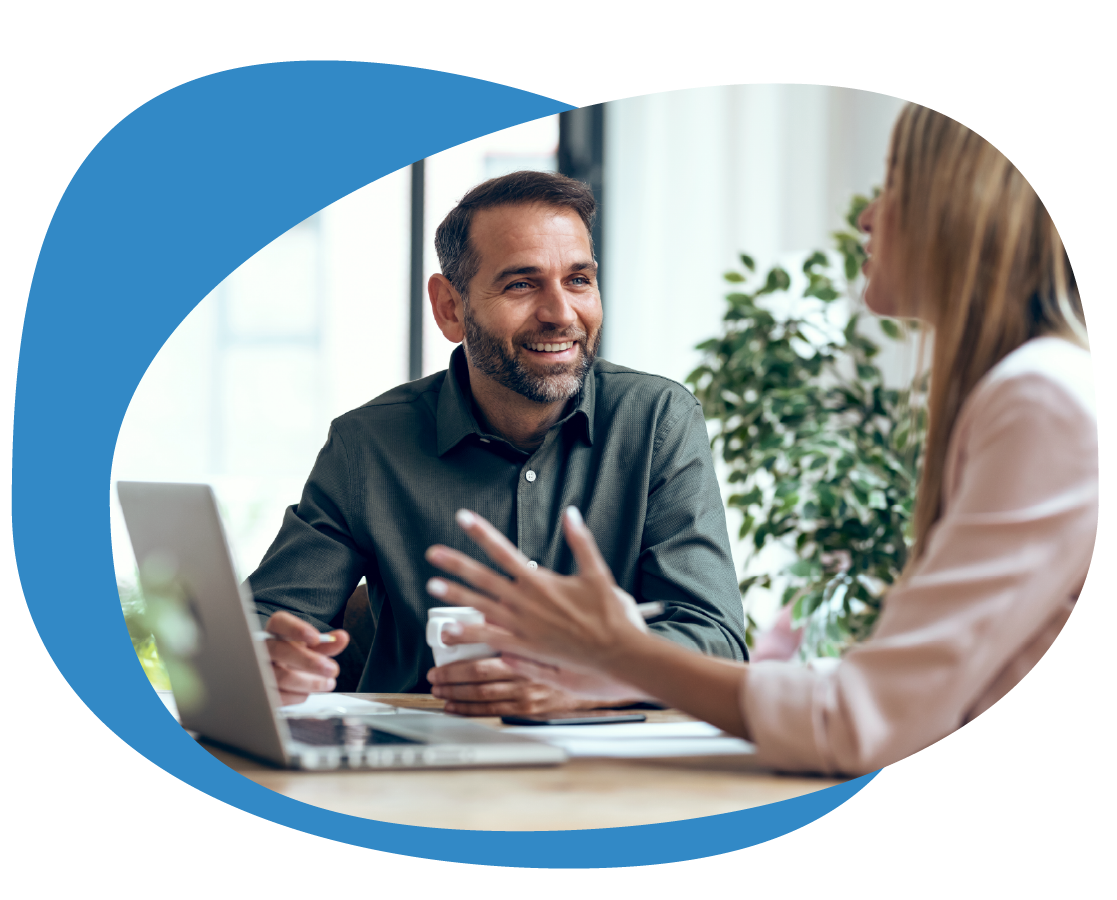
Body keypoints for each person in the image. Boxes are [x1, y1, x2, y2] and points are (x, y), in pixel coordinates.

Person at [424, 103, 1099, 773]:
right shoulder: (1030, 390)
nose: (866, 216)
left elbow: (859, 722)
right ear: (450, 307)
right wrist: (624, 671)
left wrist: (622, 655)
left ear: (963, 211)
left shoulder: (1041, 399)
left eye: (893, 185)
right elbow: (918, 691)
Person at [249, 171, 749, 714]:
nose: (561, 314)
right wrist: (272, 658)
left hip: (605, 765)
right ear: (450, 307)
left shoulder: (658, 421)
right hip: (416, 761)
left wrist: (590, 678)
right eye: (521, 284)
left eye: (578, 280)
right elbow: (265, 619)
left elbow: (716, 641)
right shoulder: (367, 444)